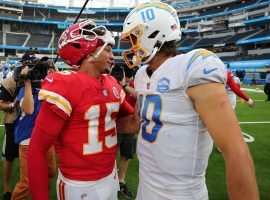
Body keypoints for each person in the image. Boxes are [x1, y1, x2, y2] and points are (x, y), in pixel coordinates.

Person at [120, 2, 259, 200]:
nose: (131, 46)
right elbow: (135, 123)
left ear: (153, 34)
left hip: (181, 194)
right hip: (146, 185)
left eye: (134, 38)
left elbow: (236, 151)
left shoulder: (192, 66)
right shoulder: (142, 74)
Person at [27, 20, 139, 200]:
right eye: (108, 50)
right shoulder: (66, 84)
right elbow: (37, 150)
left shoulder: (111, 84)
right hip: (79, 184)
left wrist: (145, 89)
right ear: (90, 53)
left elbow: (132, 124)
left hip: (110, 175)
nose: (112, 56)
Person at [12, 56, 57, 200]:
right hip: (28, 140)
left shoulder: (43, 88)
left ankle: (37, 194)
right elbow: (29, 109)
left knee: (50, 172)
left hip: (43, 138)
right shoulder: (23, 90)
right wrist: (27, 82)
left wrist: (52, 68)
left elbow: (60, 84)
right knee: (26, 182)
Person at [111, 63, 137, 198]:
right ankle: (110, 179)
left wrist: (125, 86)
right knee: (110, 156)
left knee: (126, 155)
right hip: (113, 126)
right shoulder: (112, 84)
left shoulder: (134, 85)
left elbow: (140, 96)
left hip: (129, 127)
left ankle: (121, 181)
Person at [0, 76, 19, 200]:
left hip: (30, 124)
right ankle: (6, 189)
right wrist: (13, 104)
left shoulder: (39, 79)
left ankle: (26, 185)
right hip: (13, 123)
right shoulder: (11, 81)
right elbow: (2, 105)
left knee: (29, 158)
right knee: (9, 156)